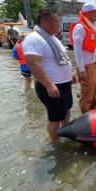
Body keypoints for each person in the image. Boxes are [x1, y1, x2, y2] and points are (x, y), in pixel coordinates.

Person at [23, 9, 74, 141]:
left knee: (66, 110)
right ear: (45, 22)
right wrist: (49, 85)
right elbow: (32, 63)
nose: (58, 25)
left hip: (64, 84)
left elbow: (62, 58)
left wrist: (70, 74)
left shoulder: (52, 38)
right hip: (52, 86)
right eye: (56, 22)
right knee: (55, 118)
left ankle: (65, 135)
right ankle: (56, 144)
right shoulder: (34, 39)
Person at [70, 2, 96, 114]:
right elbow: (77, 50)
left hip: (93, 64)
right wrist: (82, 70)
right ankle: (85, 115)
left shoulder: (91, 27)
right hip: (85, 66)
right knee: (86, 93)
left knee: (94, 91)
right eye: (95, 13)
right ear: (88, 13)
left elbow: (93, 47)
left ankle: (92, 110)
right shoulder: (80, 28)